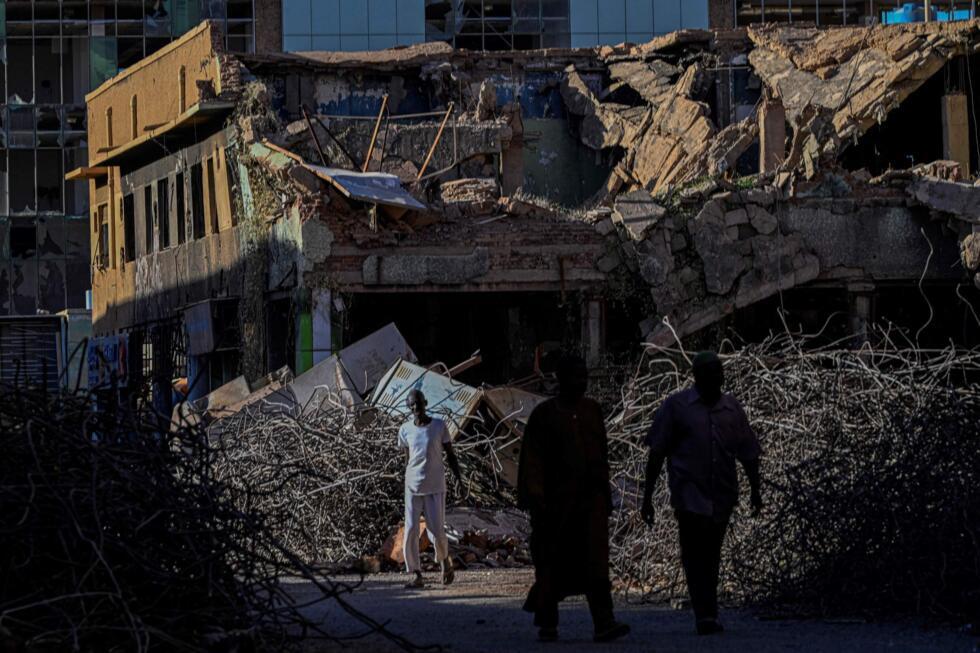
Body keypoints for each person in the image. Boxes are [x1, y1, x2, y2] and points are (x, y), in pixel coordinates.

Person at [642, 351, 763, 635]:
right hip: (689, 494)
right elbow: (657, 452)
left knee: (712, 553)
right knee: (695, 553)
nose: (715, 376)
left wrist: (755, 490)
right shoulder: (676, 407)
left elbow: (748, 452)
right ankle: (705, 613)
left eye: (718, 371)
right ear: (696, 376)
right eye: (708, 371)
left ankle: (708, 609)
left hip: (721, 494)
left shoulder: (732, 409)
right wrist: (647, 497)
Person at [518, 355, 630, 643]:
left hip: (590, 503)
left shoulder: (592, 411)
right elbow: (532, 462)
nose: (580, 383)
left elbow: (601, 455)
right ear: (561, 379)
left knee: (596, 563)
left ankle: (604, 622)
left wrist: (604, 497)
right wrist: (536, 500)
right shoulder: (544, 415)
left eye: (584, 377)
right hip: (555, 506)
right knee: (551, 563)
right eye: (574, 377)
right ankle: (548, 621)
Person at [399, 388, 462, 589]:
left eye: (419, 403)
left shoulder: (439, 426)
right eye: (412, 405)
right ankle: (416, 574)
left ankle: (444, 561)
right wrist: (405, 481)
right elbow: (407, 460)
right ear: (409, 408)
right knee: (411, 529)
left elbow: (450, 455)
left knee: (436, 530)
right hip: (412, 486)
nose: (416, 407)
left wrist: (459, 479)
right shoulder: (404, 430)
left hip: (435, 485)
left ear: (425, 403)